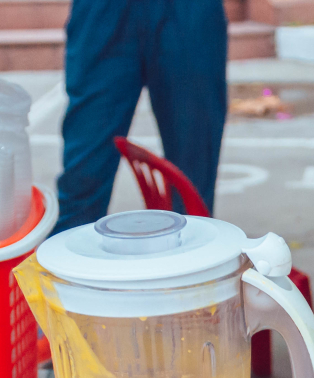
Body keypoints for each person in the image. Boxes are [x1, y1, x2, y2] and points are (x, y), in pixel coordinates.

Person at [53, 0, 229, 235]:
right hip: (103, 11)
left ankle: (194, 263)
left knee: (193, 179)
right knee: (84, 171)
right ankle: (68, 263)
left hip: (189, 10)